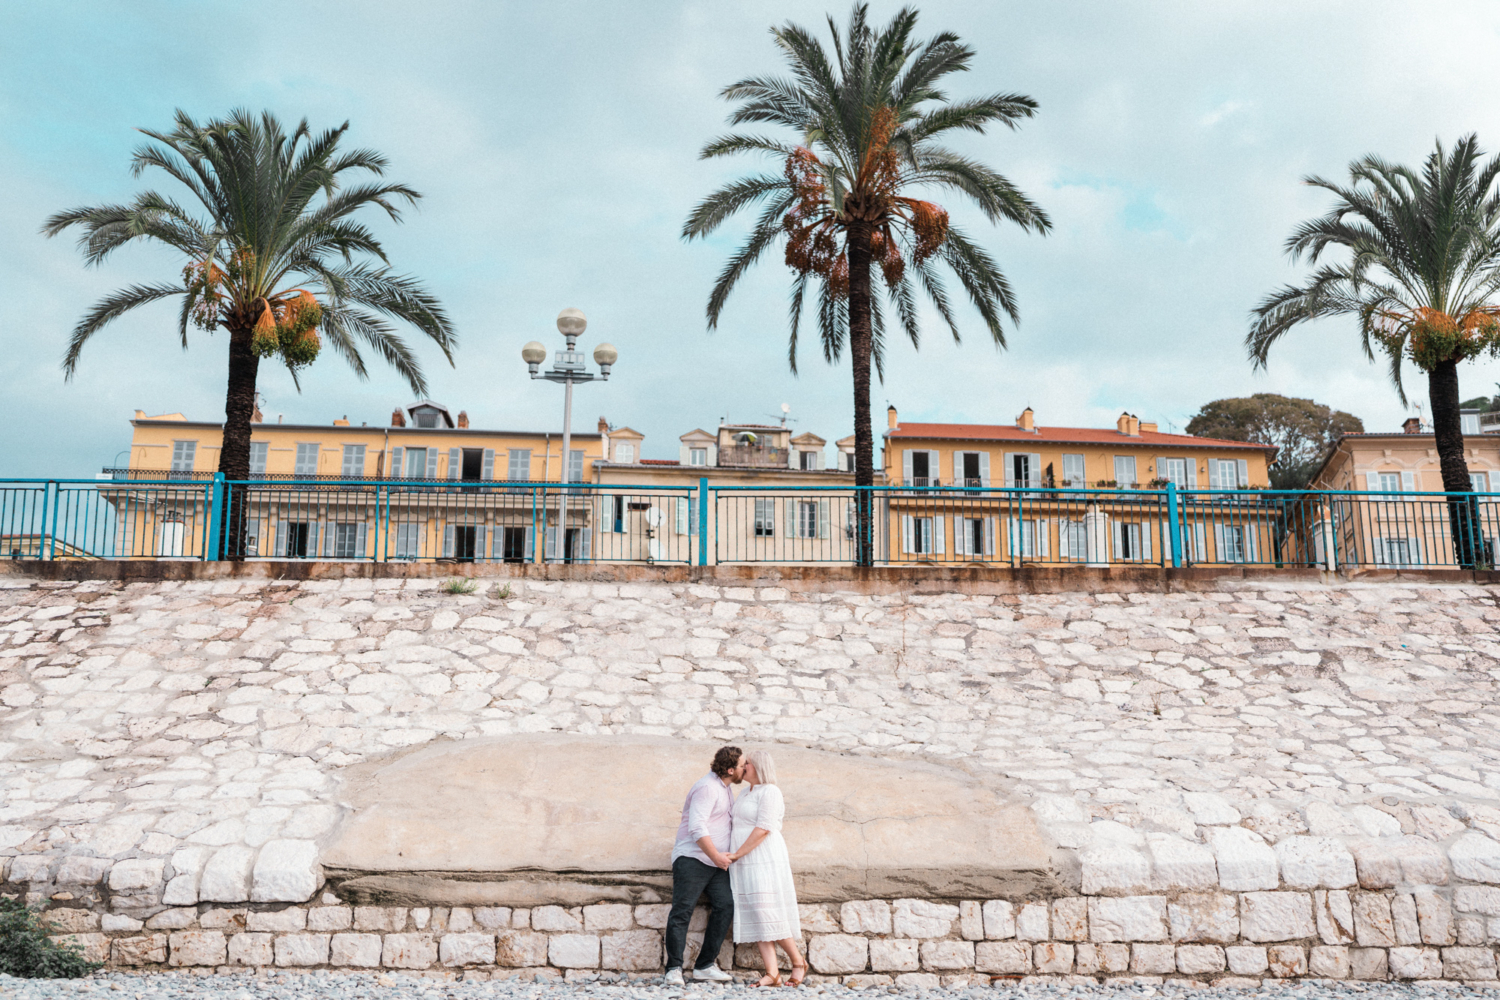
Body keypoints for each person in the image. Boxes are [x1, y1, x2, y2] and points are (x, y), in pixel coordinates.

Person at [663, 746, 743, 985]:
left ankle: (705, 965)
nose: (745, 769)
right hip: (693, 859)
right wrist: (717, 856)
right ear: (730, 770)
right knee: (682, 911)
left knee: (725, 906)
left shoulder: (724, 787)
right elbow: (696, 828)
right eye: (742, 766)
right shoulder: (707, 788)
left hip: (714, 862)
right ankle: (673, 968)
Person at [726, 749, 806, 987]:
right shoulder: (744, 792)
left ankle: (798, 961)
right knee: (755, 912)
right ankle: (772, 973)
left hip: (762, 857)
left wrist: (738, 853)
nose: (743, 767)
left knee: (766, 909)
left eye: (746, 764)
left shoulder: (771, 791)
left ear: (758, 767)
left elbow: (764, 828)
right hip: (744, 862)